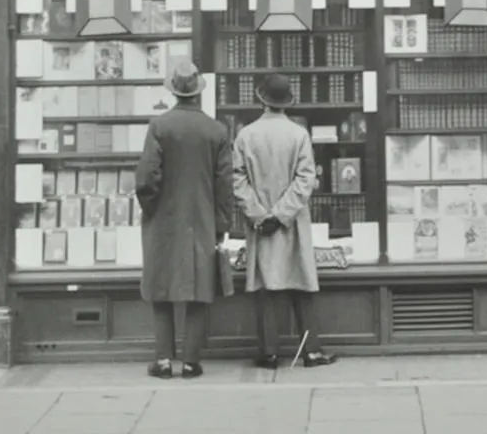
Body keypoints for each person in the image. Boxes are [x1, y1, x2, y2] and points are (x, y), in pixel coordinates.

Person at [135, 61, 234, 380]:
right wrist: (221, 224)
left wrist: (151, 210)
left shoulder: (159, 127)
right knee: (199, 288)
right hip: (202, 220)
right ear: (198, 92)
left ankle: (163, 360)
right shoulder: (217, 130)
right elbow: (224, 185)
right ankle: (191, 361)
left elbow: (146, 178)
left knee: (160, 288)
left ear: (174, 91)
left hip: (163, 220)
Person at [232, 74, 336, 370]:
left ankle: (269, 353)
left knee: (267, 288)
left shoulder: (245, 135)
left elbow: (237, 180)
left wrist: (259, 215)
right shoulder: (298, 134)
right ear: (287, 102)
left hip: (260, 223)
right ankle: (311, 351)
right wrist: (282, 214)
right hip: (291, 222)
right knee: (301, 284)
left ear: (261, 99)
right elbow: (306, 179)